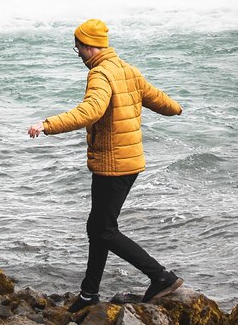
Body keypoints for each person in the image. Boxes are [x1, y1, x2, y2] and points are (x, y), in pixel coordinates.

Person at [28, 19, 184, 312]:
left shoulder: (100, 74)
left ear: (89, 46)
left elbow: (90, 110)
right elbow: (157, 99)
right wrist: (176, 108)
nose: (77, 54)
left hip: (112, 165)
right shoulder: (127, 69)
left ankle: (161, 276)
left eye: (78, 48)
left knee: (103, 230)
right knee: (98, 226)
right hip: (130, 162)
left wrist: (46, 125)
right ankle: (89, 294)